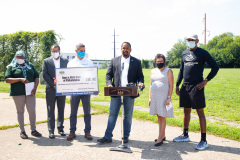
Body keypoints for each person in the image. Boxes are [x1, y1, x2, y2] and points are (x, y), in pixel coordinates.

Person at [173, 34, 219, 150]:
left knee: (200, 113)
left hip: (197, 87)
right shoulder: (184, 53)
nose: (190, 42)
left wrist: (206, 81)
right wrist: (178, 84)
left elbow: (215, 67)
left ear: (197, 41)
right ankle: (185, 134)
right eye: (188, 40)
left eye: (192, 40)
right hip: (185, 87)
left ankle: (204, 140)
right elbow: (181, 70)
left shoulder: (202, 53)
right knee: (186, 112)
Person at [97, 42, 144, 144]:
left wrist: (140, 83)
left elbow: (140, 76)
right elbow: (108, 75)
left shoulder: (136, 62)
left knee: (128, 115)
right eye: (123, 48)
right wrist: (109, 84)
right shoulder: (114, 60)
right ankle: (108, 136)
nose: (125, 50)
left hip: (129, 92)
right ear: (121, 49)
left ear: (130, 50)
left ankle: (125, 136)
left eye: (127, 48)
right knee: (112, 114)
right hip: (116, 91)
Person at [5, 51, 42, 139]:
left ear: (25, 58)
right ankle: (22, 131)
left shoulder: (30, 66)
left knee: (32, 111)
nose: (20, 59)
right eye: (18, 57)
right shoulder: (11, 67)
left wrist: (35, 88)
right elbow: (7, 79)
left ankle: (33, 130)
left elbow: (36, 77)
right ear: (15, 57)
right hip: (18, 93)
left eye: (22, 57)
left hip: (30, 92)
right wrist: (20, 79)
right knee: (20, 111)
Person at [66, 43, 95, 141]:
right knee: (73, 112)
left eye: (84, 51)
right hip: (74, 92)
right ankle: (72, 131)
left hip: (86, 91)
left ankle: (87, 132)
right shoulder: (71, 63)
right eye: (81, 51)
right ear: (76, 51)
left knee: (87, 112)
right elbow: (68, 77)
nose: (82, 52)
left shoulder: (89, 62)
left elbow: (93, 77)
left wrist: (95, 88)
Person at [42, 44, 69, 139]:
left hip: (62, 89)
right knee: (50, 110)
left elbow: (68, 73)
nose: (55, 53)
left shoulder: (65, 61)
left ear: (60, 51)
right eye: (53, 51)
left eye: (56, 51)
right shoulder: (46, 61)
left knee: (61, 109)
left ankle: (60, 129)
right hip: (50, 89)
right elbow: (44, 74)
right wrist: (53, 84)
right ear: (51, 51)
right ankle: (51, 131)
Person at [149, 54, 174, 147]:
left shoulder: (168, 71)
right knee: (158, 116)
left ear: (164, 61)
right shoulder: (153, 71)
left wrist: (169, 98)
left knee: (162, 116)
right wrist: (150, 97)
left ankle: (160, 138)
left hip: (164, 97)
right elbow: (151, 85)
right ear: (155, 62)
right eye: (157, 61)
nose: (159, 63)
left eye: (161, 61)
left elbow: (171, 85)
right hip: (155, 97)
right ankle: (163, 135)